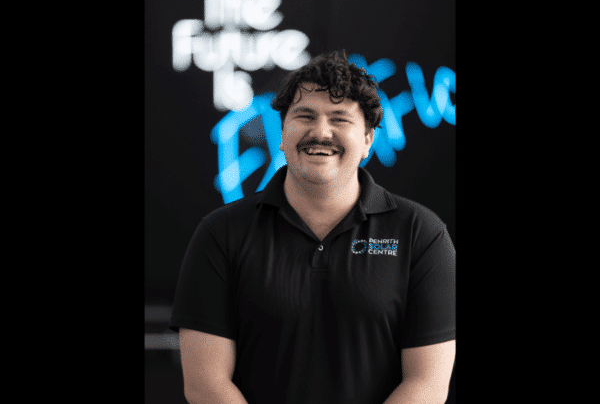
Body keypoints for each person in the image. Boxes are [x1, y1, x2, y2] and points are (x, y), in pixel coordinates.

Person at [169, 50, 456, 404]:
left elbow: (427, 384)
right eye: (305, 116)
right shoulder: (220, 234)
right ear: (282, 132)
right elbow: (205, 384)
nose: (321, 132)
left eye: (340, 119)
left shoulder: (421, 234)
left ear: (368, 139)